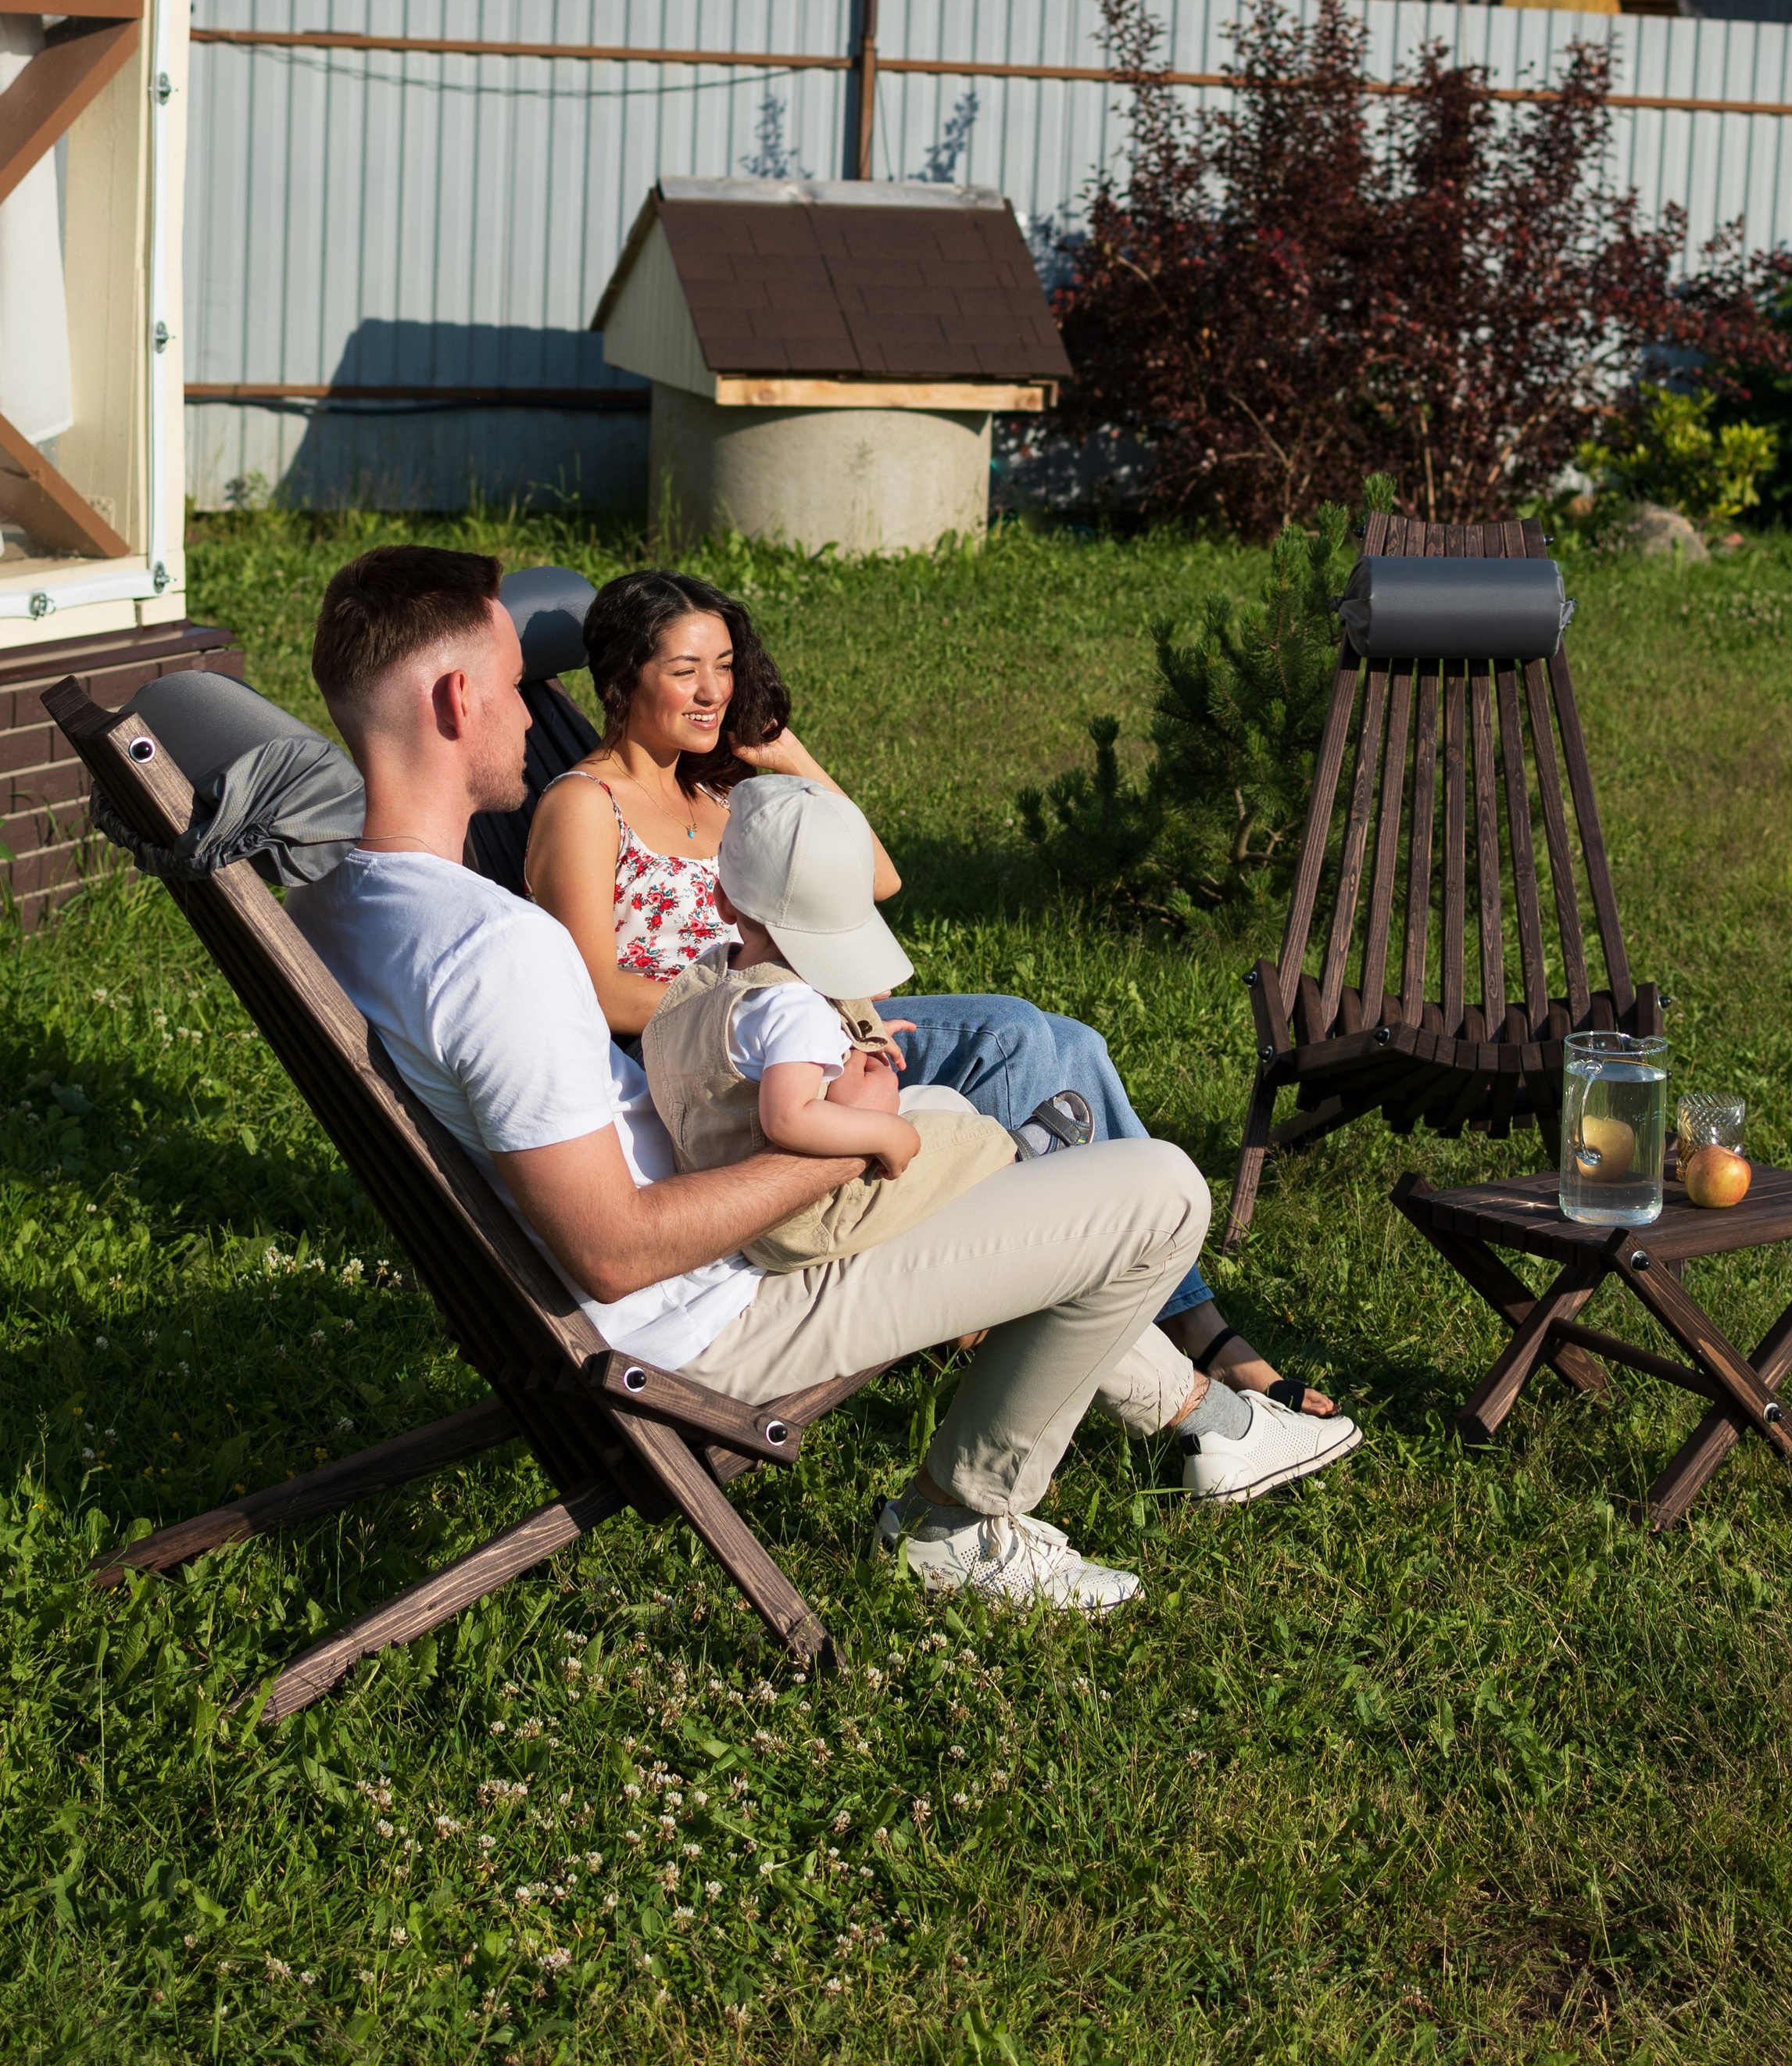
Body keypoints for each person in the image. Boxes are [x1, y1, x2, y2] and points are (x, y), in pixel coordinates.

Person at [291, 550, 1362, 1614]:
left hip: (705, 1255)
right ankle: (957, 1518)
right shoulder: (499, 952)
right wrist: (850, 1144)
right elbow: (613, 1253)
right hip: (715, 1322)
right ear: (454, 698)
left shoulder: (343, 915)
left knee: (957, 1118)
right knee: (1159, 1188)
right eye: (520, 684)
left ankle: (1210, 1425)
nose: (536, 713)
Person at [524, 568, 1336, 1414]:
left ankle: (1155, 1310)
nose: (713, 693)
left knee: (1069, 1043)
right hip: (726, 1057)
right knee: (1017, 1042)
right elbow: (593, 990)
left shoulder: (719, 785)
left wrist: (783, 750)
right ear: (621, 678)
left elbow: (872, 878)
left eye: (726, 666)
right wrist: (749, 1020)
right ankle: (1160, 1332)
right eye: (686, 670)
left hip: (809, 1019)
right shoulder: (585, 807)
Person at [640, 772, 1057, 1268]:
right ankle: (1018, 1153)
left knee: (931, 1110)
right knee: (949, 1140)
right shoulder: (795, 1009)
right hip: (801, 1221)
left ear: (724, 899)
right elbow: (789, 1117)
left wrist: (851, 1040)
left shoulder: (707, 979)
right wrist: (886, 1134)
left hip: (717, 1196)